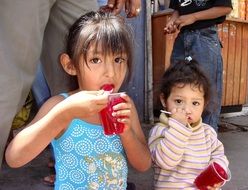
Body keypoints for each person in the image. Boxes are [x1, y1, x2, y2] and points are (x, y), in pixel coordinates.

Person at [5, 11, 151, 189]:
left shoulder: (124, 107)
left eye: (118, 59)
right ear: (70, 65)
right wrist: (64, 114)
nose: (111, 73)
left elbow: (143, 165)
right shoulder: (59, 105)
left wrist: (127, 133)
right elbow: (14, 158)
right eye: (96, 59)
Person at [148, 59, 229, 189]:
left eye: (195, 103)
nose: (187, 109)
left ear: (204, 104)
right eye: (179, 101)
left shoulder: (207, 132)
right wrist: (178, 127)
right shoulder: (160, 131)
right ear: (164, 100)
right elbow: (166, 162)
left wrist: (217, 176)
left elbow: (219, 157)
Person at [164, 0, 232, 131]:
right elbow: (178, 9)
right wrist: (172, 22)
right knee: (176, 87)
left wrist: (193, 17)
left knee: (207, 91)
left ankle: (207, 141)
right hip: (182, 38)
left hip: (205, 38)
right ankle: (178, 136)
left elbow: (225, 8)